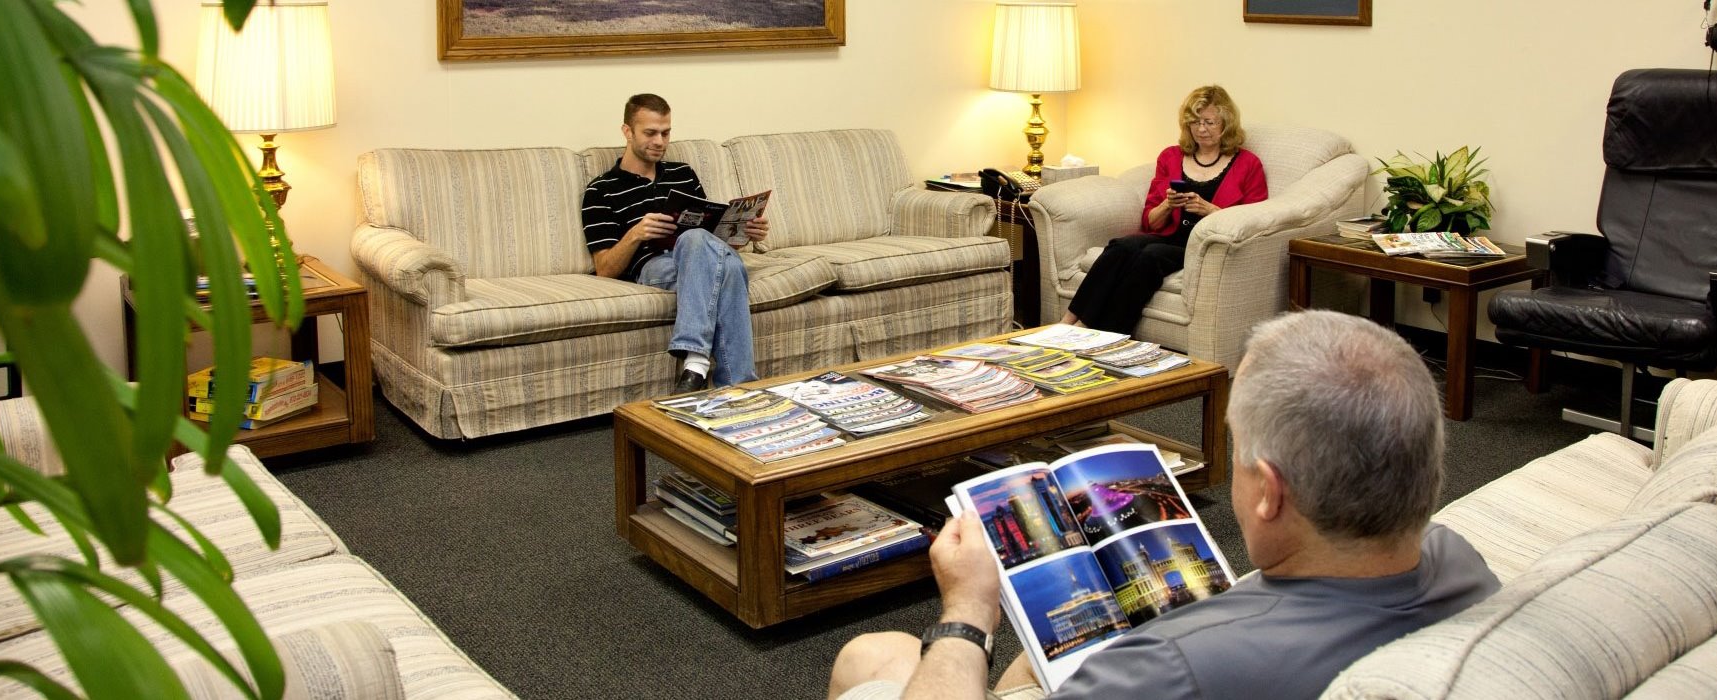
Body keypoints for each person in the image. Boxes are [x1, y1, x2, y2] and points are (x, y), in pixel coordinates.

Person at [826, 310, 1502, 700]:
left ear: (1270, 493)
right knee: (998, 658)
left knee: (872, 658)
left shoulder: (1168, 669)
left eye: (1238, 455)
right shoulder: (1458, 561)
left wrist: (969, 610)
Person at [581, 93, 770, 394]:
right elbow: (605, 269)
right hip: (654, 267)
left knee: (713, 253)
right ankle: (736, 383)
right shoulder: (601, 191)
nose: (659, 141)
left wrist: (744, 232)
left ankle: (699, 370)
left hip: (699, 259)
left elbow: (712, 241)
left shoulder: (683, 174)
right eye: (650, 133)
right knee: (723, 264)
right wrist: (635, 234)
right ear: (627, 131)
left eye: (666, 133)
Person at [1060, 85, 1268, 334]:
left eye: (1209, 122)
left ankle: (1096, 331)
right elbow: (1150, 223)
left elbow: (1253, 222)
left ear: (1226, 123)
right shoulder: (1171, 157)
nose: (1201, 129)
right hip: (1168, 235)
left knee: (1150, 257)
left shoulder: (1248, 164)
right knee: (1121, 247)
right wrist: (1168, 205)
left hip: (1201, 245)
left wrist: (1210, 210)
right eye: (1195, 122)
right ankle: (1066, 323)